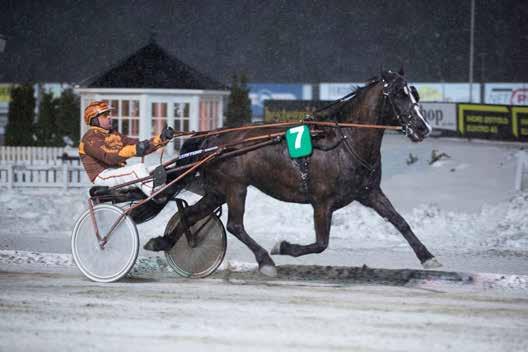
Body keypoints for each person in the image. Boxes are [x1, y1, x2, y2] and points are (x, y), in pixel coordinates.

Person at [79, 100, 174, 201]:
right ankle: (158, 195)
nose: (109, 117)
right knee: (137, 169)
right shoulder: (90, 139)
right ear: (94, 120)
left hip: (117, 173)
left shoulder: (114, 134)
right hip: (102, 176)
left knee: (158, 168)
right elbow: (109, 157)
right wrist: (135, 149)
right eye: (104, 115)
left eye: (109, 114)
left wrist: (161, 139)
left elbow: (137, 145)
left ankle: (175, 188)